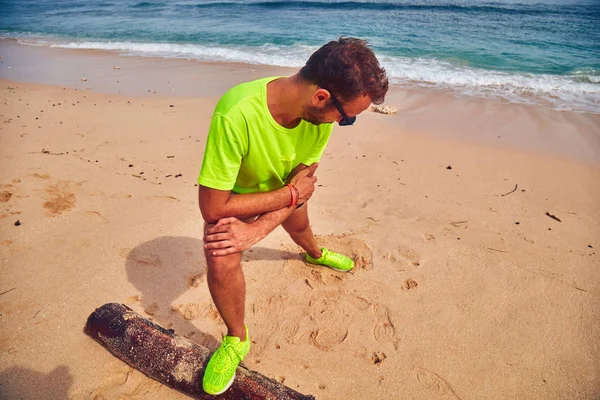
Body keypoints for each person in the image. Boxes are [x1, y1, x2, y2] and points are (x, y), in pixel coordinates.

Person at [197, 37, 388, 395]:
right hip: (235, 196)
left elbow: (304, 180)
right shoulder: (236, 112)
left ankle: (314, 254)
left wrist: (260, 228)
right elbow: (212, 207)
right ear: (321, 97)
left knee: (300, 225)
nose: (342, 124)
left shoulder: (320, 120)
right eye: (346, 119)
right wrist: (289, 196)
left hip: (286, 190)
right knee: (220, 251)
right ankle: (237, 339)